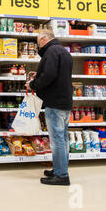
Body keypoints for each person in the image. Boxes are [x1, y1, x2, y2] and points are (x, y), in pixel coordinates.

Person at [25, 29, 73, 186]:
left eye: (39, 43)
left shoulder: (51, 51)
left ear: (44, 40)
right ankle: (60, 169)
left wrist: (33, 84)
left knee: (57, 140)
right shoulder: (63, 52)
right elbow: (56, 75)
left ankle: (61, 175)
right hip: (65, 101)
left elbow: (49, 76)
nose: (39, 47)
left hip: (55, 102)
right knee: (63, 138)